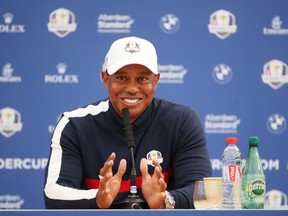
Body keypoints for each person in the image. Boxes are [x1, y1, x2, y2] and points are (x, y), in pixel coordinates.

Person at [44, 36, 212, 209]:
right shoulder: (75, 124)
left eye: (142, 79)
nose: (132, 89)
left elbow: (202, 192)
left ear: (156, 81)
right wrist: (98, 197)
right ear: (105, 79)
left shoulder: (181, 121)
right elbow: (54, 193)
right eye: (122, 78)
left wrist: (165, 200)